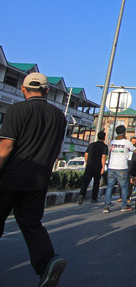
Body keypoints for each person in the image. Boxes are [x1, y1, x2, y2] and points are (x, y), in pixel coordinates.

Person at [0, 72, 68, 286]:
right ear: (47, 90)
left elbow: (6, 146)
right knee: (31, 223)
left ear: (23, 88)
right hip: (38, 180)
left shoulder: (17, 109)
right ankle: (48, 262)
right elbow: (56, 150)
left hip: (10, 178)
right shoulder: (59, 116)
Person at [104, 125, 135, 213]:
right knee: (124, 187)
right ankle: (124, 206)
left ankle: (106, 206)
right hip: (122, 168)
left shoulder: (112, 142)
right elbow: (134, 150)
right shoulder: (127, 142)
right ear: (125, 132)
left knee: (109, 187)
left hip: (111, 167)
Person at [77, 131, 108, 205]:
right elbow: (103, 156)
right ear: (104, 138)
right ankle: (94, 198)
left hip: (89, 165)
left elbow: (86, 154)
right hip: (98, 166)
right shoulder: (104, 146)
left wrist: (87, 163)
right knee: (96, 182)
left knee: (85, 182)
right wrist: (103, 167)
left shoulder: (91, 145)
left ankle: (81, 195)